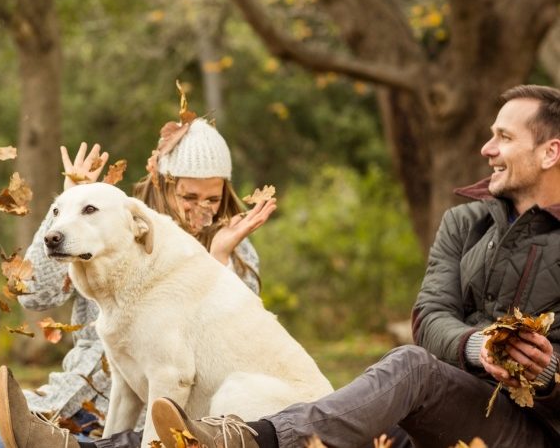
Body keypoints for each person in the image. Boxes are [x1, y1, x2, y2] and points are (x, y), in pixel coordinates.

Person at [137, 84, 560, 448]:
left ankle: (252, 441)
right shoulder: (464, 223)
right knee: (348, 410)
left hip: (531, 430)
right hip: (445, 405)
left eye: (503, 137)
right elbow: (429, 318)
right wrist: (478, 347)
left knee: (406, 370)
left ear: (549, 152)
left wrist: (549, 373)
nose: (487, 149)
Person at [0, 117, 275, 448]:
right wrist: (67, 208)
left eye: (213, 198)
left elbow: (227, 348)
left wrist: (219, 258)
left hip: (134, 425)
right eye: (189, 196)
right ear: (162, 183)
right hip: (62, 399)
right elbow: (33, 295)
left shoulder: (235, 247)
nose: (201, 210)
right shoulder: (111, 219)